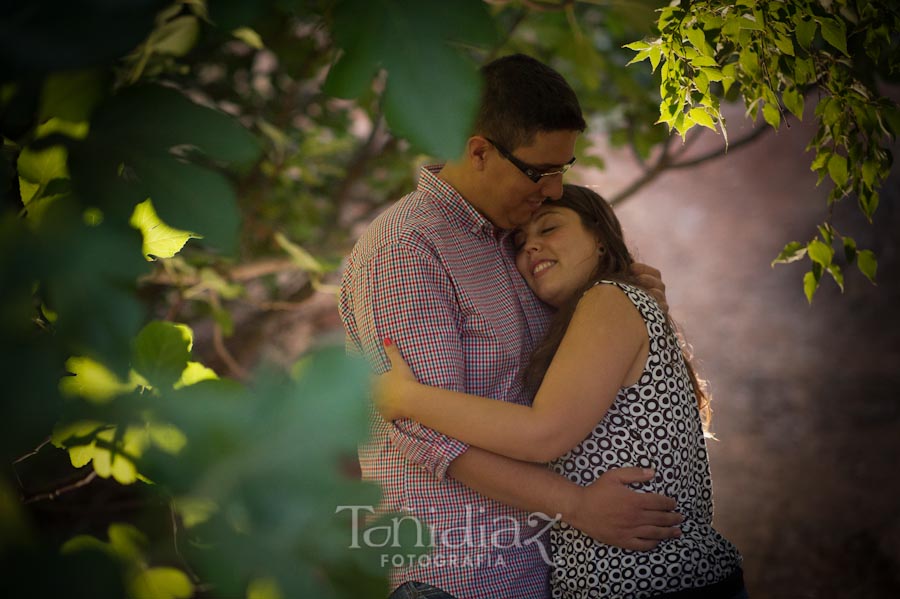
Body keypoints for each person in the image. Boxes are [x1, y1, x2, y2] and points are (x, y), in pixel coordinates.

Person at [338, 54, 682, 599]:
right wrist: (574, 504)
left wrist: (629, 301)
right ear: (479, 150)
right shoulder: (407, 247)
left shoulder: (517, 242)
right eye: (542, 172)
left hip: (547, 568)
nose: (553, 189)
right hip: (455, 574)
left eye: (563, 171)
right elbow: (425, 425)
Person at [375, 185, 746, 599]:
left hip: (656, 582)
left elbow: (543, 434)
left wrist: (408, 399)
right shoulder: (605, 309)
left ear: (601, 239)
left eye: (549, 228)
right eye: (520, 241)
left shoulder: (608, 299)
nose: (532, 246)